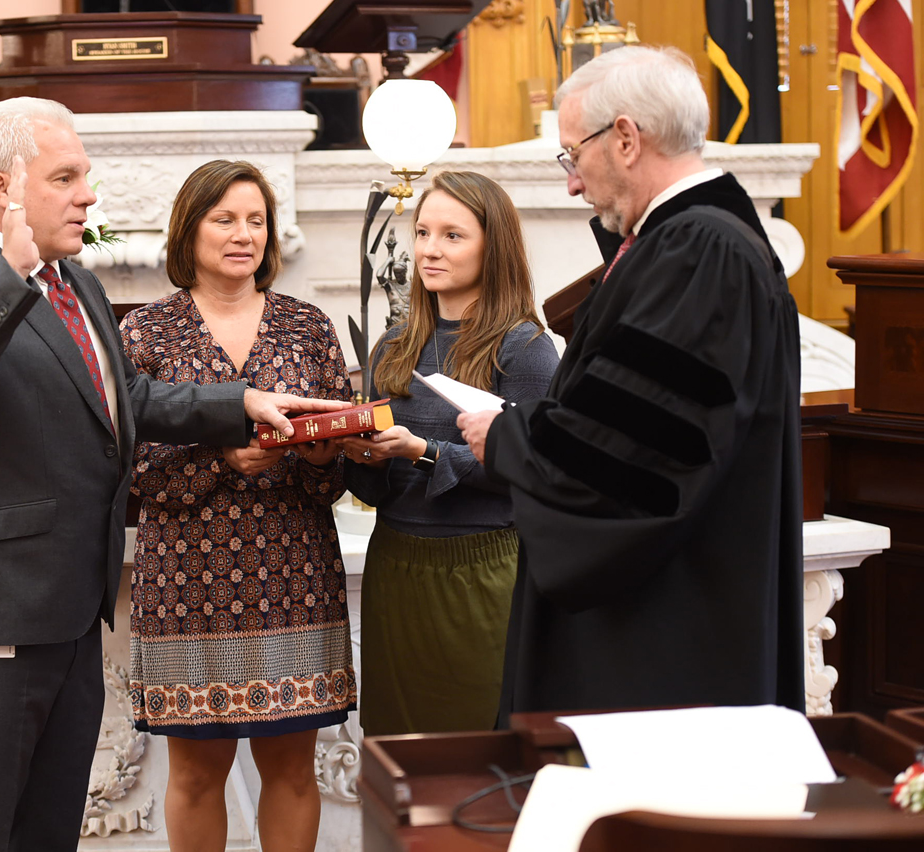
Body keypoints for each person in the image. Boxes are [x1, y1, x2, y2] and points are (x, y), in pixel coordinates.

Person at [0, 98, 343, 852]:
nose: (89, 194)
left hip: (69, 613)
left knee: (48, 833)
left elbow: (125, 400)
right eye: (65, 178)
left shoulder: (78, 287)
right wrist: (10, 272)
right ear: (6, 190)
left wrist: (241, 402)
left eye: (85, 176)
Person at [457, 46, 805, 722]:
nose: (573, 184)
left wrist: (509, 438)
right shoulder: (683, 244)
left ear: (624, 138)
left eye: (571, 156)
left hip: (669, 627)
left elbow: (630, 456)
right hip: (675, 603)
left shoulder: (701, 252)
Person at [121, 160, 355, 852]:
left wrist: (318, 455)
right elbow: (126, 461)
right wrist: (220, 458)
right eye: (224, 219)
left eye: (256, 220)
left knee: (291, 769)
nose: (243, 234)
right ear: (189, 230)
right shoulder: (145, 331)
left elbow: (336, 459)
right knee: (194, 773)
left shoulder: (306, 326)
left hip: (293, 571)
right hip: (187, 581)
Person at [337, 171, 558, 735]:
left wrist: (425, 452)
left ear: (493, 246)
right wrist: (356, 454)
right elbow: (373, 488)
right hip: (397, 564)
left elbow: (539, 471)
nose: (430, 250)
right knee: (396, 749)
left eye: (453, 236)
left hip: (483, 569)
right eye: (424, 232)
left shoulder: (525, 347)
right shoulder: (395, 343)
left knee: (477, 751)